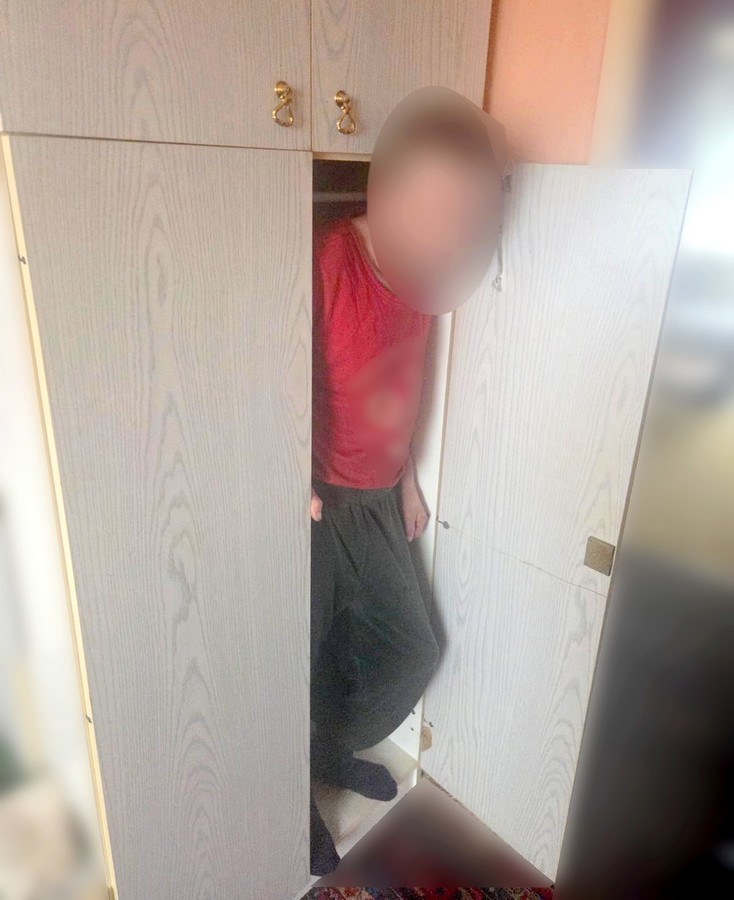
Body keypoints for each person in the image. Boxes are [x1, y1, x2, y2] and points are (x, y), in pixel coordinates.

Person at [310, 89, 506, 875]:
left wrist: (409, 481)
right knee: (290, 660)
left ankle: (323, 747)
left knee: (410, 650)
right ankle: (290, 789)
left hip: (380, 496)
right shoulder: (330, 259)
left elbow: (404, 382)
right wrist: (287, 474)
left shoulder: (431, 275)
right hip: (317, 498)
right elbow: (270, 367)